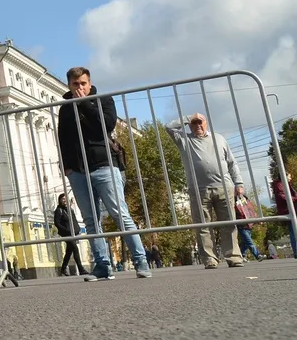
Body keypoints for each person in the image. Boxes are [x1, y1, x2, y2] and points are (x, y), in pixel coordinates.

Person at [57, 67, 152, 281]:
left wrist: (83, 103)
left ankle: (140, 261)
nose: (79, 88)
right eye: (75, 84)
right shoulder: (64, 108)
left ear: (89, 83)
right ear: (69, 85)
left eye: (83, 83)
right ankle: (102, 265)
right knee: (91, 220)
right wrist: (66, 165)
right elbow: (62, 136)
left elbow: (106, 126)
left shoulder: (103, 100)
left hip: (104, 165)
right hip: (78, 171)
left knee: (120, 213)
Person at [165, 113, 244, 268]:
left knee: (229, 223)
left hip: (224, 187)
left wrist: (239, 182)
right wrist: (189, 117)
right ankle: (210, 259)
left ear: (206, 123)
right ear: (189, 125)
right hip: (199, 189)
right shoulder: (185, 140)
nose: (198, 126)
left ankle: (233, 257)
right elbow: (168, 127)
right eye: (193, 123)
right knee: (202, 225)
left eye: (200, 122)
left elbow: (232, 163)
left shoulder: (219, 138)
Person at [53, 193, 86, 277]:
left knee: (69, 251)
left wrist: (77, 229)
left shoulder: (70, 210)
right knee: (75, 248)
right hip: (66, 234)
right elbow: (57, 223)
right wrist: (66, 230)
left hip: (73, 233)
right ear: (59, 200)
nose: (64, 200)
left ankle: (63, 269)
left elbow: (74, 220)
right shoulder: (58, 210)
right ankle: (81, 269)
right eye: (63, 199)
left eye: (65, 199)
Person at [234, 192, 264, 262]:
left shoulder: (247, 205)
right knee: (249, 242)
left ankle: (242, 255)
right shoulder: (236, 205)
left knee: (245, 243)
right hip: (242, 226)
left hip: (248, 226)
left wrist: (258, 221)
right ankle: (258, 255)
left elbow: (252, 213)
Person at [273, 176, 297, 259]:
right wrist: (295, 199)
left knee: (293, 230)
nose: (290, 178)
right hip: (288, 210)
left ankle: (296, 250)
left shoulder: (284, 184)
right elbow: (282, 196)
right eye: (289, 176)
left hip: (290, 209)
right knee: (293, 230)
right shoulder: (280, 185)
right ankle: (296, 250)